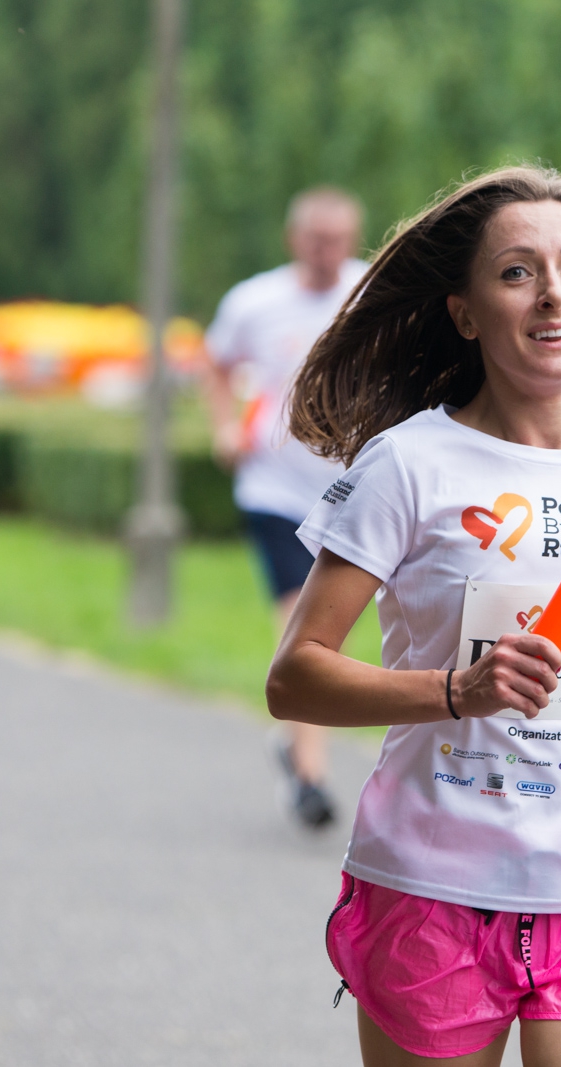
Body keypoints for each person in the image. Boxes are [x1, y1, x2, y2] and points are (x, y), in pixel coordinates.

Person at [268, 166, 561, 1067]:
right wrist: (458, 689)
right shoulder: (407, 465)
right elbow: (296, 673)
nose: (552, 292)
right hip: (435, 883)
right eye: (518, 271)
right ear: (466, 310)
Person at [204, 187, 368, 829]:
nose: (327, 252)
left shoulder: (370, 293)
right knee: (299, 625)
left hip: (351, 491)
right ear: (293, 239)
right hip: (274, 487)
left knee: (331, 632)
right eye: (315, 239)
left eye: (338, 239)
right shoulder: (255, 301)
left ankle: (296, 744)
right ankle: (310, 777)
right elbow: (214, 365)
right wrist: (223, 427)